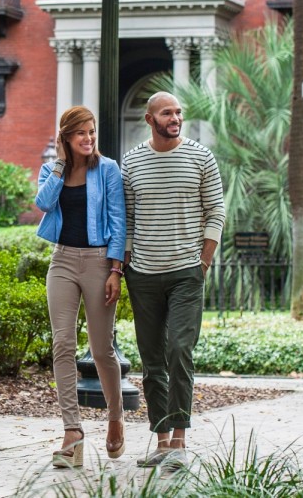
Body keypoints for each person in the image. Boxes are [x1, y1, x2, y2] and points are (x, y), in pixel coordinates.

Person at [122, 91, 225, 469]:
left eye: (178, 112)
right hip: (144, 274)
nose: (175, 118)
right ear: (150, 119)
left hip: (186, 272)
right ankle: (162, 441)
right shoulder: (131, 163)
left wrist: (204, 260)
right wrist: (126, 263)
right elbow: (128, 220)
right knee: (152, 360)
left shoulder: (201, 157)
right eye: (167, 113)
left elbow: (216, 209)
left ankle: (179, 443)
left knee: (179, 350)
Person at [35, 105, 127, 468]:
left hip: (99, 262)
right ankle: (72, 432)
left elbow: (118, 220)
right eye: (80, 133)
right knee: (62, 343)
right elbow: (43, 202)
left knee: (102, 349)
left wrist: (116, 270)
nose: (88, 139)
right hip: (62, 261)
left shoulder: (107, 170)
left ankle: (116, 416)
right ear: (66, 138)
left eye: (91, 132)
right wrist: (60, 165)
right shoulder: (51, 169)